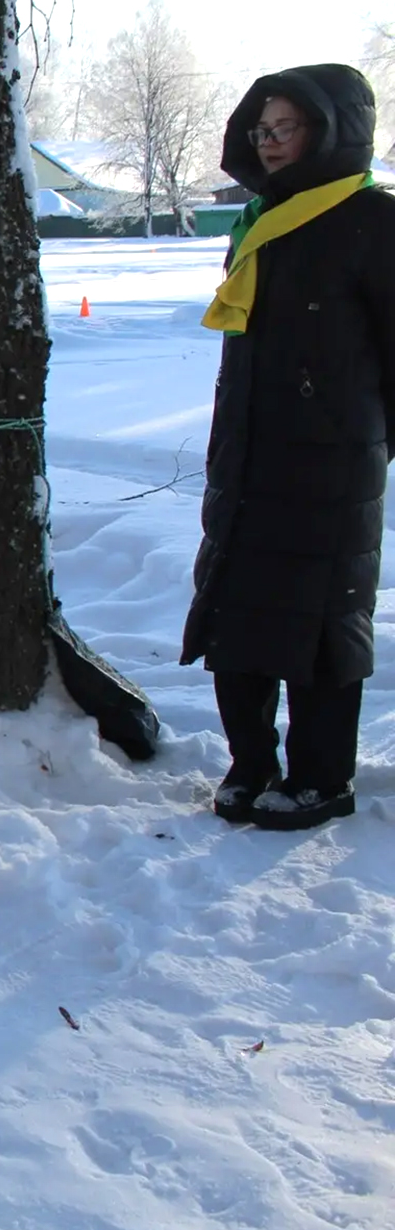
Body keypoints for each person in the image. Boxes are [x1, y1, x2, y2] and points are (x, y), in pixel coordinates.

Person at [184, 63, 395, 831]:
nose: (269, 143)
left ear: (331, 130)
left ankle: (322, 777)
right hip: (246, 457)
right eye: (261, 129)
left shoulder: (373, 220)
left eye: (286, 128)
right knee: (237, 612)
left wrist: (365, 445)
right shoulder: (259, 221)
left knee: (320, 622)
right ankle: (251, 765)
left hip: (333, 465)